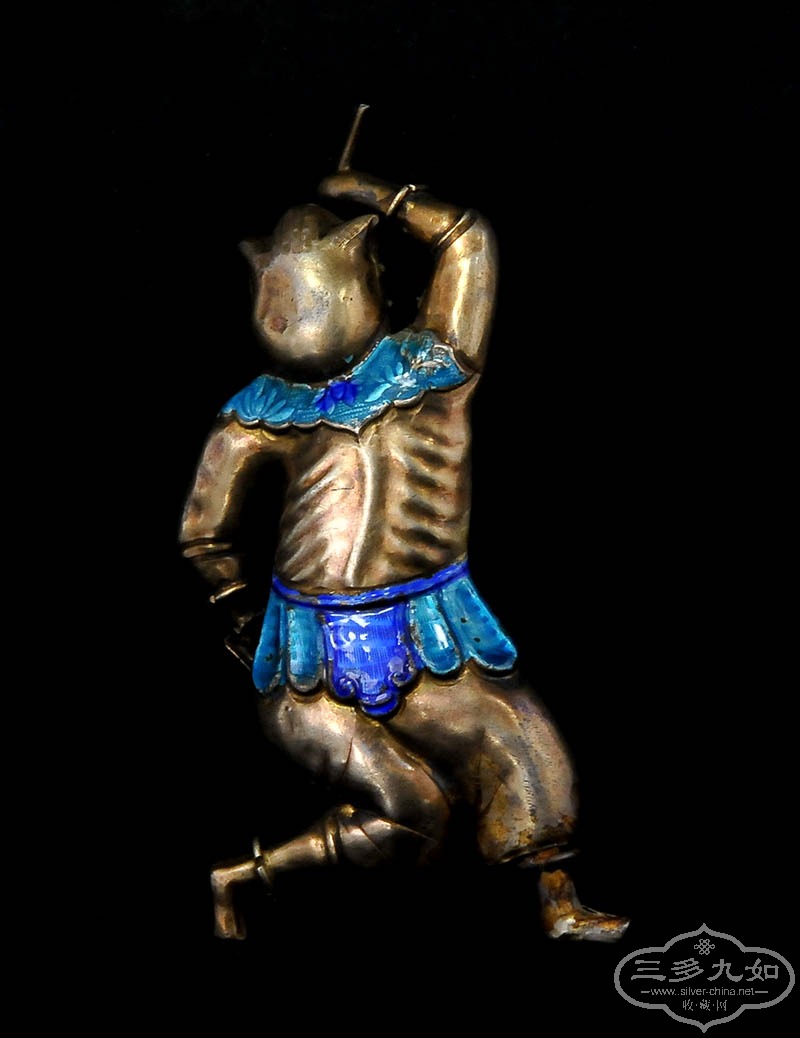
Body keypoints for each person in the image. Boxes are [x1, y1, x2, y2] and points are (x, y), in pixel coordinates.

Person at [180, 167, 629, 942]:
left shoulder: (432, 368)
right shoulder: (258, 413)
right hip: (308, 655)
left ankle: (556, 899)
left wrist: (381, 196)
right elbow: (203, 532)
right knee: (414, 817)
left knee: (521, 745)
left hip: (428, 633)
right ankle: (244, 877)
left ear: (368, 276)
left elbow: (466, 241)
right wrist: (239, 613)